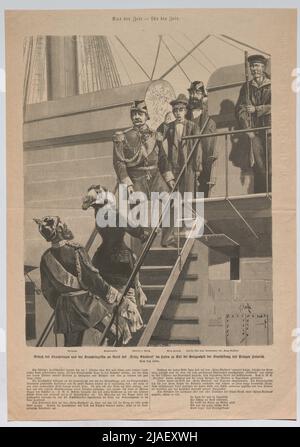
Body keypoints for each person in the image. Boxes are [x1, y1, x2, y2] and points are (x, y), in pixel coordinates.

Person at [34, 216, 143, 347]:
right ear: (60, 229)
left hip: (65, 308)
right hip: (85, 304)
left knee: (71, 348)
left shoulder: (46, 257)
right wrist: (116, 296)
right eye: (62, 223)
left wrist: (62, 304)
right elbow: (93, 280)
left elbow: (47, 290)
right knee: (117, 334)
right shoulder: (76, 250)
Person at [113, 100, 176, 247]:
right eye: (134, 114)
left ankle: (167, 237)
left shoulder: (156, 135)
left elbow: (162, 159)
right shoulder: (122, 137)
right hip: (136, 178)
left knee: (172, 201)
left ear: (146, 116)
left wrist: (169, 178)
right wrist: (127, 182)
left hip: (155, 177)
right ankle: (145, 235)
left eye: (140, 114)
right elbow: (118, 162)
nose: (136, 117)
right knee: (138, 211)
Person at [82, 185, 148, 312]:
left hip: (102, 259)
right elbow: (135, 231)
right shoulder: (116, 215)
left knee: (108, 297)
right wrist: (143, 234)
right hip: (120, 261)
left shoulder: (98, 215)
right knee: (125, 293)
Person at [235, 54, 271, 193]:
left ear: (263, 67)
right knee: (259, 166)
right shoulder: (247, 87)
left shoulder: (272, 84)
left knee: (272, 164)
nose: (253, 69)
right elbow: (239, 109)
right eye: (251, 66)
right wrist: (247, 129)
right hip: (254, 132)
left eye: (256, 65)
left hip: (270, 130)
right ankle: (262, 195)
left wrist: (257, 109)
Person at [163, 93, 201, 195]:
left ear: (185, 111)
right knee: (176, 194)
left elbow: (198, 148)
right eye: (175, 111)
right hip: (174, 166)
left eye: (181, 110)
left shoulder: (193, 126)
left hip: (189, 165)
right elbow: (160, 139)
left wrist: (197, 168)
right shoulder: (169, 127)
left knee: (189, 193)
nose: (178, 113)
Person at [186, 81, 217, 197]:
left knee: (201, 198)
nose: (194, 96)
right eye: (192, 93)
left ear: (203, 96)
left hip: (203, 165)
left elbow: (210, 147)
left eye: (198, 93)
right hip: (186, 164)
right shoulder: (183, 118)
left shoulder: (209, 121)